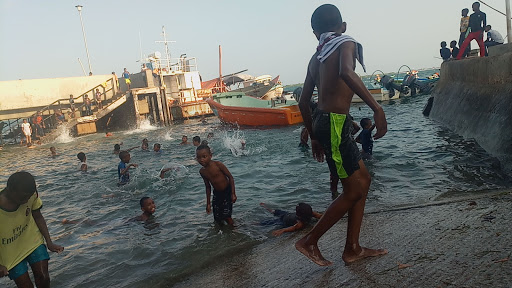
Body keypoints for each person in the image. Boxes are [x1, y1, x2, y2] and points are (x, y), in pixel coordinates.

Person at [296, 4, 388, 266]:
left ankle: (353, 248)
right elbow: (346, 72)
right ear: (343, 26)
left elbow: (304, 102)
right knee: (351, 190)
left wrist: (314, 136)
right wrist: (377, 107)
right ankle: (309, 241)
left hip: (328, 123)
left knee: (364, 180)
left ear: (315, 33)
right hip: (336, 123)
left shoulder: (317, 57)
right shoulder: (345, 43)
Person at [0, 171, 64, 287]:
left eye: (28, 197)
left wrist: (49, 242)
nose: (26, 201)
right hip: (9, 253)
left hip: (32, 241)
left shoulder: (31, 195)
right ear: (9, 190)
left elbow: (38, 216)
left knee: (44, 278)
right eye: (23, 197)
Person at [196, 144, 237, 225]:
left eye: (204, 156)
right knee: (217, 217)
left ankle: (233, 230)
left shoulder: (218, 165)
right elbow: (208, 187)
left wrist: (233, 193)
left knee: (227, 216)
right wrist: (208, 203)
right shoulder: (202, 171)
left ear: (210, 156)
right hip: (217, 194)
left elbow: (230, 177)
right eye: (198, 157)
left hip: (227, 191)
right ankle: (220, 233)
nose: (201, 160)